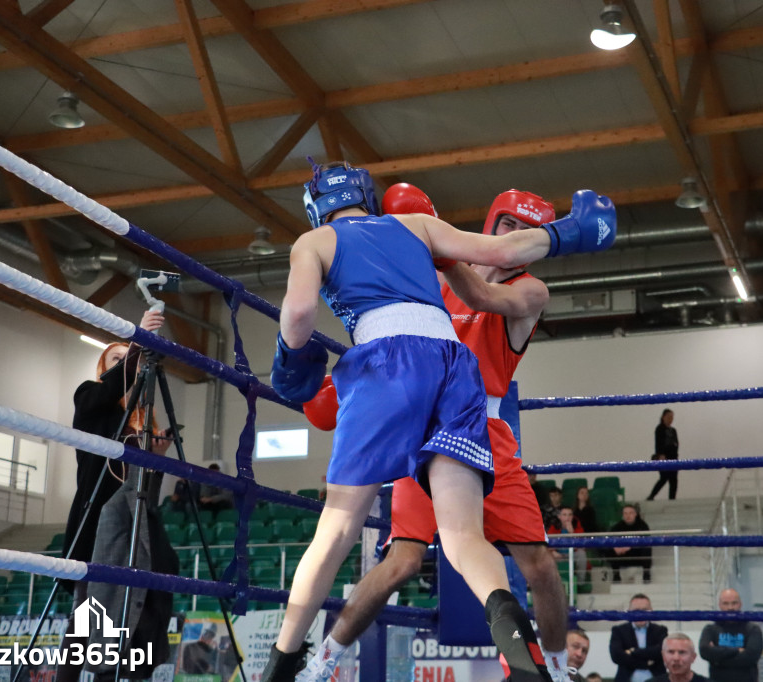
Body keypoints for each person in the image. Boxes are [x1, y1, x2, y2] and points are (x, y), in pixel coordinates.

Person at [261, 161, 616, 682]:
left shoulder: (314, 241)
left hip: (392, 369)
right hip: (454, 373)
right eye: (508, 221)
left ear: (316, 204)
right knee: (460, 537)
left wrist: (290, 366)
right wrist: (575, 231)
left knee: (335, 529)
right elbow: (499, 256)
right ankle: (520, 654)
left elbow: (297, 317)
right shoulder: (418, 230)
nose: (511, 231)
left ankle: (281, 667)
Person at [58, 310, 177, 682]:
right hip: (96, 521)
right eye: (117, 359)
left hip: (134, 523)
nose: (126, 364)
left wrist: (157, 459)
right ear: (103, 367)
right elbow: (111, 387)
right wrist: (138, 342)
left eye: (129, 359)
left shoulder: (145, 416)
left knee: (130, 614)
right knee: (88, 614)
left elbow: (149, 493)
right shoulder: (89, 396)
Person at [698, 588, 763, 682]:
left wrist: (717, 659)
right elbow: (705, 652)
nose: (730, 608)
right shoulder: (710, 629)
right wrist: (737, 650)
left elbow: (751, 657)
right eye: (725, 603)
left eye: (734, 603)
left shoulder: (752, 629)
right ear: (720, 605)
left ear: (740, 604)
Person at [609, 593, 668, 682]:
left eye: (644, 610)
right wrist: (645, 664)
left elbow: (660, 652)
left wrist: (633, 651)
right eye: (636, 610)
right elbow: (616, 656)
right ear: (629, 611)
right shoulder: (619, 630)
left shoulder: (660, 630)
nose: (640, 614)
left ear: (651, 611)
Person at [610, 504, 652, 583]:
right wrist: (615, 547)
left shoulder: (642, 525)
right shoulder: (618, 526)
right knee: (610, 549)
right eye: (625, 513)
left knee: (647, 548)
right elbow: (611, 539)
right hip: (623, 555)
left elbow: (646, 539)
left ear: (635, 514)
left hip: (637, 554)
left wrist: (630, 546)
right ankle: (616, 575)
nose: (628, 516)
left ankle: (646, 574)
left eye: (630, 513)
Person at [548, 506, 589, 584]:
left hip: (573, 554)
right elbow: (548, 544)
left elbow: (582, 545)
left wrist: (572, 533)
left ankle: (580, 583)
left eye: (570, 515)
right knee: (547, 556)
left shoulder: (577, 524)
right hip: (559, 555)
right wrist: (553, 551)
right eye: (564, 515)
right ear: (559, 517)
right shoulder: (554, 526)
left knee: (581, 554)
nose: (567, 517)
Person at [648, 409, 679, 500]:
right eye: (669, 417)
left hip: (673, 457)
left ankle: (672, 500)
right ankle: (651, 496)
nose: (671, 419)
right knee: (664, 478)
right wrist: (661, 455)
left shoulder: (673, 430)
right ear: (663, 417)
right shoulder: (660, 429)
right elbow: (658, 443)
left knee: (674, 480)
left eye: (672, 417)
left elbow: (676, 443)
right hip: (664, 457)